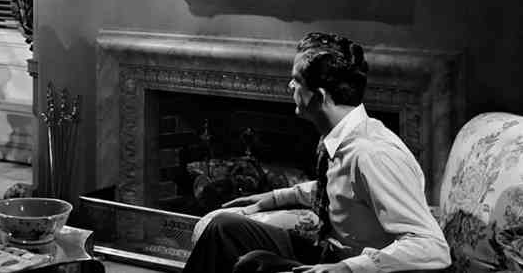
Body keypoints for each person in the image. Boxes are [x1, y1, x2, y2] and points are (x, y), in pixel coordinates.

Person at [182, 32, 451, 273]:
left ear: (319, 97)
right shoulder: (341, 137)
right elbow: (340, 190)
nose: (290, 86)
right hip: (327, 252)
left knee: (252, 263)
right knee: (224, 229)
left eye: (296, 80)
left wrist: (347, 268)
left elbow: (431, 247)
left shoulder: (373, 155)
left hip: (350, 267)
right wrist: (274, 198)